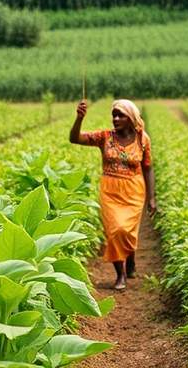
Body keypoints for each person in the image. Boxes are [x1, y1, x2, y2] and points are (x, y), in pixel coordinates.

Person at [69, 99, 156, 290]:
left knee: (127, 231)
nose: (115, 119)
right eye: (114, 115)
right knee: (115, 230)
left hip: (134, 190)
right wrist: (79, 119)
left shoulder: (143, 139)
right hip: (110, 190)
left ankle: (130, 260)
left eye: (120, 115)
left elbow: (148, 168)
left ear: (130, 117)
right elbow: (75, 138)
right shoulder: (105, 137)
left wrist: (151, 197)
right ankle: (121, 274)